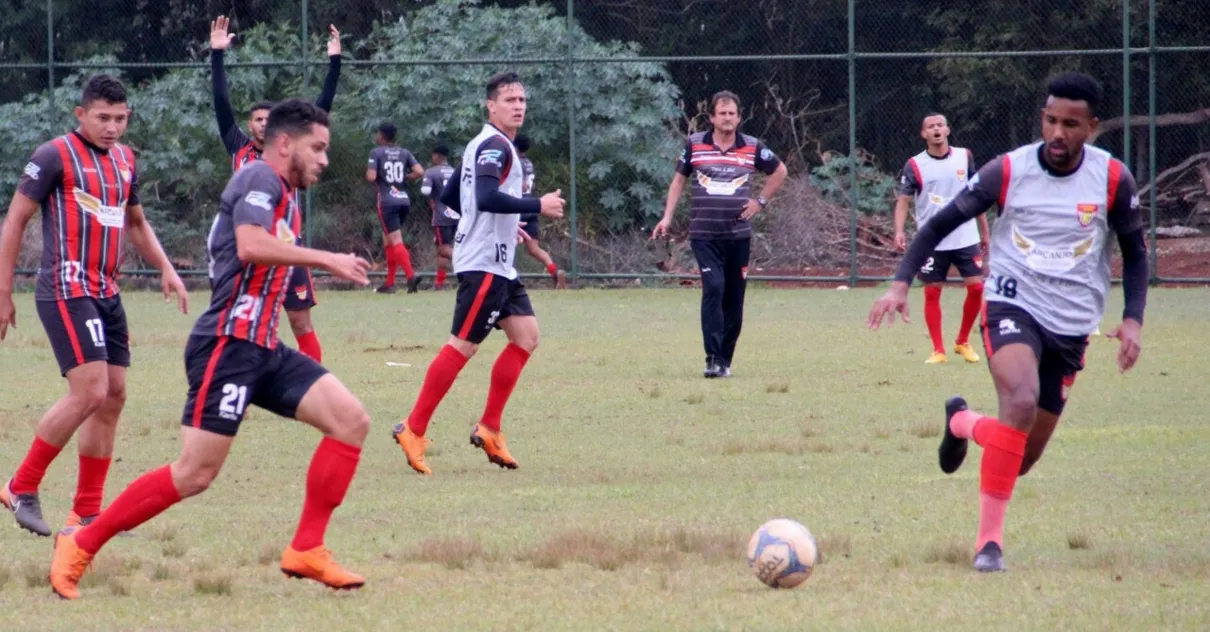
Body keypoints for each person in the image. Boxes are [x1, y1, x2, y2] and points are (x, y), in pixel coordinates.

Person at [50, 100, 374, 600]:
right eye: (318, 147)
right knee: (195, 473)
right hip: (227, 344)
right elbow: (249, 244)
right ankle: (82, 542)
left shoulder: (284, 191)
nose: (325, 159)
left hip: (262, 344)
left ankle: (307, 548)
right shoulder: (258, 179)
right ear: (285, 144)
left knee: (351, 421)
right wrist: (325, 258)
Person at [867, 71, 1148, 572]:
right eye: (1051, 120)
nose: (1058, 133)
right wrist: (899, 284)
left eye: (1071, 124)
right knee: (1019, 401)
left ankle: (962, 421)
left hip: (1071, 325)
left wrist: (1133, 321)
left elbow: (1136, 253)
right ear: (1042, 118)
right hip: (1011, 304)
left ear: (1092, 127)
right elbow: (938, 223)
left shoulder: (1111, 179)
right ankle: (988, 547)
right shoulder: (1008, 170)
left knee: (1021, 458)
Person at [0, 75, 188, 537]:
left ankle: (85, 513)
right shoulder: (53, 155)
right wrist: (3, 292)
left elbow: (136, 224)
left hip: (107, 290)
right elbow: (15, 221)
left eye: (120, 118)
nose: (112, 127)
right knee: (89, 391)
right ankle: (20, 486)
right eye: (102, 117)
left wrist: (166, 266)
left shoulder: (125, 159)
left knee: (114, 395)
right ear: (81, 114)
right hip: (66, 288)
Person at [392, 71, 564, 475]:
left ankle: (490, 428)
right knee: (462, 346)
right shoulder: (494, 145)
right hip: (484, 263)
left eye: (522, 99)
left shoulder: (487, 145)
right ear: (491, 106)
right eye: (509, 100)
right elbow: (485, 197)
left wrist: (507, 224)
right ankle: (413, 428)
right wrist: (535, 205)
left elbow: (454, 196)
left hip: (499, 261)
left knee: (526, 337)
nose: (518, 105)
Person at [209, 14, 342, 363]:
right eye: (257, 119)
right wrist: (217, 55)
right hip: (245, 247)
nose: (263, 123)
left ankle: (310, 383)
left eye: (269, 119)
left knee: (300, 322)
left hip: (286, 244)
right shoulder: (238, 147)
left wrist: (334, 63)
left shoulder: (291, 150)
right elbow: (221, 103)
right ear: (250, 124)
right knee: (239, 322)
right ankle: (235, 385)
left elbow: (321, 111)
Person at [652, 90, 788, 378]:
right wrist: (667, 217)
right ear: (712, 117)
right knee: (713, 287)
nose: (727, 118)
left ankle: (725, 360)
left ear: (739, 118)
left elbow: (780, 172)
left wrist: (759, 202)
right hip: (704, 235)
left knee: (734, 300)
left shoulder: (752, 147)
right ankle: (712, 359)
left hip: (738, 236)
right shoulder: (694, 145)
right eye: (722, 113)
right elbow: (678, 181)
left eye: (732, 113)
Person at [893, 113, 990, 364]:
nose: (936, 129)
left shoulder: (964, 156)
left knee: (977, 287)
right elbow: (903, 200)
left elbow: (976, 194)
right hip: (933, 240)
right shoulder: (915, 164)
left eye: (940, 125)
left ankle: (963, 341)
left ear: (947, 130)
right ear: (923, 134)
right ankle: (938, 350)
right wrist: (899, 231)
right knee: (932, 292)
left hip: (965, 235)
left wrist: (984, 230)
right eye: (930, 127)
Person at [366, 123, 424, 294]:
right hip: (403, 200)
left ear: (381, 136)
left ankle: (411, 277)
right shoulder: (404, 152)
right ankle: (389, 283)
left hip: (387, 201)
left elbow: (371, 176)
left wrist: (382, 180)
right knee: (389, 240)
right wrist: (404, 179)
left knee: (396, 241)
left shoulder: (376, 152)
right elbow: (420, 171)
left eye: (378, 134)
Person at [514, 135, 567, 288]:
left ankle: (507, 280)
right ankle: (555, 273)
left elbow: (522, 185)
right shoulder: (529, 163)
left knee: (506, 244)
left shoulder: (515, 163)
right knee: (533, 249)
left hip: (518, 207)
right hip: (532, 207)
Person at [422, 144, 458, 291]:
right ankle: (439, 284)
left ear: (436, 155)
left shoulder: (431, 172)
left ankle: (470, 264)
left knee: (444, 249)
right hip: (457, 214)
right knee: (440, 249)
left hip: (441, 215)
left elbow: (425, 190)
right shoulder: (456, 172)